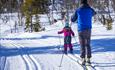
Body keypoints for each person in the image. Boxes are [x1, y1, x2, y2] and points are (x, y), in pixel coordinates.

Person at [71, 0, 96, 65]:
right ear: (86, 2)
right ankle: (88, 59)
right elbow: (94, 13)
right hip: (88, 29)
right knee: (88, 44)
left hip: (81, 29)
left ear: (81, 3)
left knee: (82, 44)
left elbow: (72, 19)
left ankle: (83, 59)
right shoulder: (90, 9)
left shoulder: (78, 10)